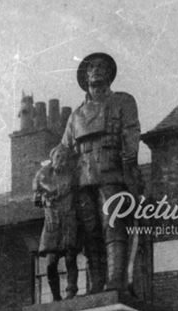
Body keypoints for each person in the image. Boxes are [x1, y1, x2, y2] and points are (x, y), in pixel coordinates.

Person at [61, 52, 141, 292]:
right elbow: (64, 149)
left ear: (110, 74)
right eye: (91, 67)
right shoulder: (75, 116)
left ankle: (116, 280)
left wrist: (128, 168)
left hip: (112, 172)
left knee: (113, 225)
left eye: (102, 66)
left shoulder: (123, 101)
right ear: (85, 76)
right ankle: (95, 285)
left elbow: (131, 133)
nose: (97, 70)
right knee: (89, 232)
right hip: (83, 177)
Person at [33, 145, 80, 301]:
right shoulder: (44, 175)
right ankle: (55, 296)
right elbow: (36, 197)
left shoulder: (71, 177)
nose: (62, 160)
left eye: (64, 158)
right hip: (52, 221)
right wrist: (43, 198)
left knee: (70, 257)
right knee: (50, 262)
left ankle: (71, 290)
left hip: (68, 220)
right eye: (58, 157)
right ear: (52, 158)